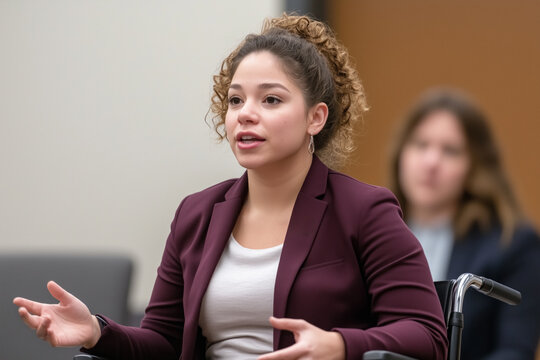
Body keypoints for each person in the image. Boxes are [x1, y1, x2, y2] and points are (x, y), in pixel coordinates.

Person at [13, 14, 448, 360]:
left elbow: (426, 335)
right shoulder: (196, 214)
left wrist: (340, 346)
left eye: (271, 99)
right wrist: (96, 332)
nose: (245, 114)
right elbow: (163, 344)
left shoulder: (364, 210)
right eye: (236, 100)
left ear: (316, 118)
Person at [388, 88, 540, 360]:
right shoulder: (369, 234)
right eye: (420, 144)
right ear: (401, 153)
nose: (431, 162)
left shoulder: (514, 244)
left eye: (450, 151)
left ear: (475, 166)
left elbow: (514, 351)